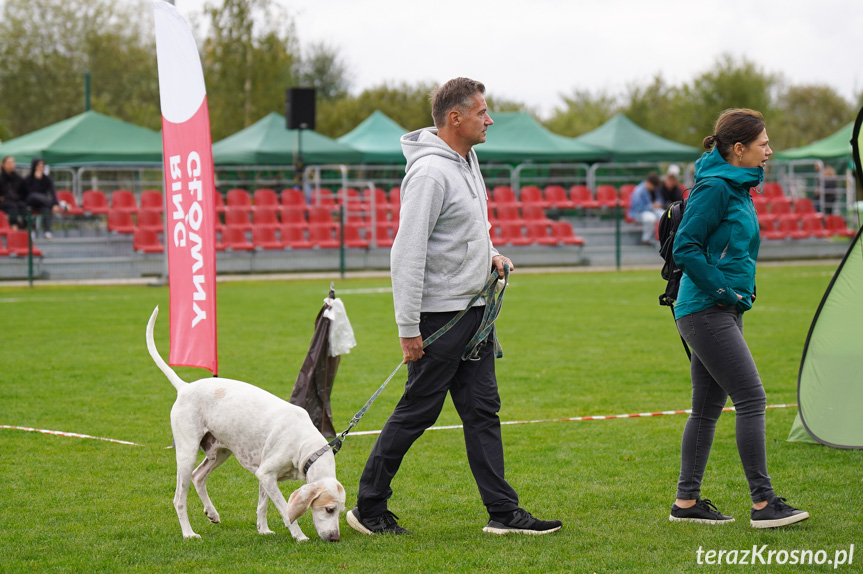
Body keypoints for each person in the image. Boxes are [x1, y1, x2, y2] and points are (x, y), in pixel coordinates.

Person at [346, 78, 562, 537]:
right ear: (455, 118)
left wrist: (492, 255)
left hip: (475, 313)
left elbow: (469, 230)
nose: (490, 119)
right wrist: (408, 328)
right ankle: (368, 507)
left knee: (483, 409)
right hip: (440, 318)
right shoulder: (428, 173)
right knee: (418, 411)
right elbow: (407, 252)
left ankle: (503, 512)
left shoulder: (468, 161)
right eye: (482, 112)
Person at [669, 108, 809, 529]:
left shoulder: (738, 187)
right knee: (752, 398)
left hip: (721, 308)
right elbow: (686, 247)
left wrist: (736, 293)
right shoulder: (716, 188)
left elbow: (734, 250)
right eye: (763, 144)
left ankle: (686, 504)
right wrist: (723, 291)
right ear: (739, 149)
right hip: (707, 309)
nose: (770, 150)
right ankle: (764, 503)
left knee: (707, 409)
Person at [23, 158, 61, 239]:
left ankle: (47, 231)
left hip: (43, 203)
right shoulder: (28, 179)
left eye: (42, 165)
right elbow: (28, 193)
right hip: (30, 202)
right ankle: (59, 205)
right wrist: (36, 179)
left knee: (46, 208)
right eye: (38, 165)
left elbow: (53, 192)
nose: (41, 167)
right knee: (33, 195)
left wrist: (55, 203)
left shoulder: (47, 179)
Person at [627, 172, 663, 244]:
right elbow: (638, 208)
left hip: (652, 210)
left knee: (664, 215)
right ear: (649, 183)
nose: (654, 188)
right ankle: (646, 239)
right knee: (650, 218)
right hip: (638, 213)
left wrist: (658, 203)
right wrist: (651, 206)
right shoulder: (639, 191)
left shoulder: (654, 189)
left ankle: (662, 238)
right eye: (653, 186)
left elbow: (660, 198)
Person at [0, 155, 26, 230]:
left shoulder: (18, 178)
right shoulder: (1, 178)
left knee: (23, 206)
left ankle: (25, 226)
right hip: (4, 203)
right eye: (9, 163)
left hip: (16, 201)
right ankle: (13, 226)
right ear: (3, 164)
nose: (11, 165)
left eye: (12, 163)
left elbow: (23, 193)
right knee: (12, 206)